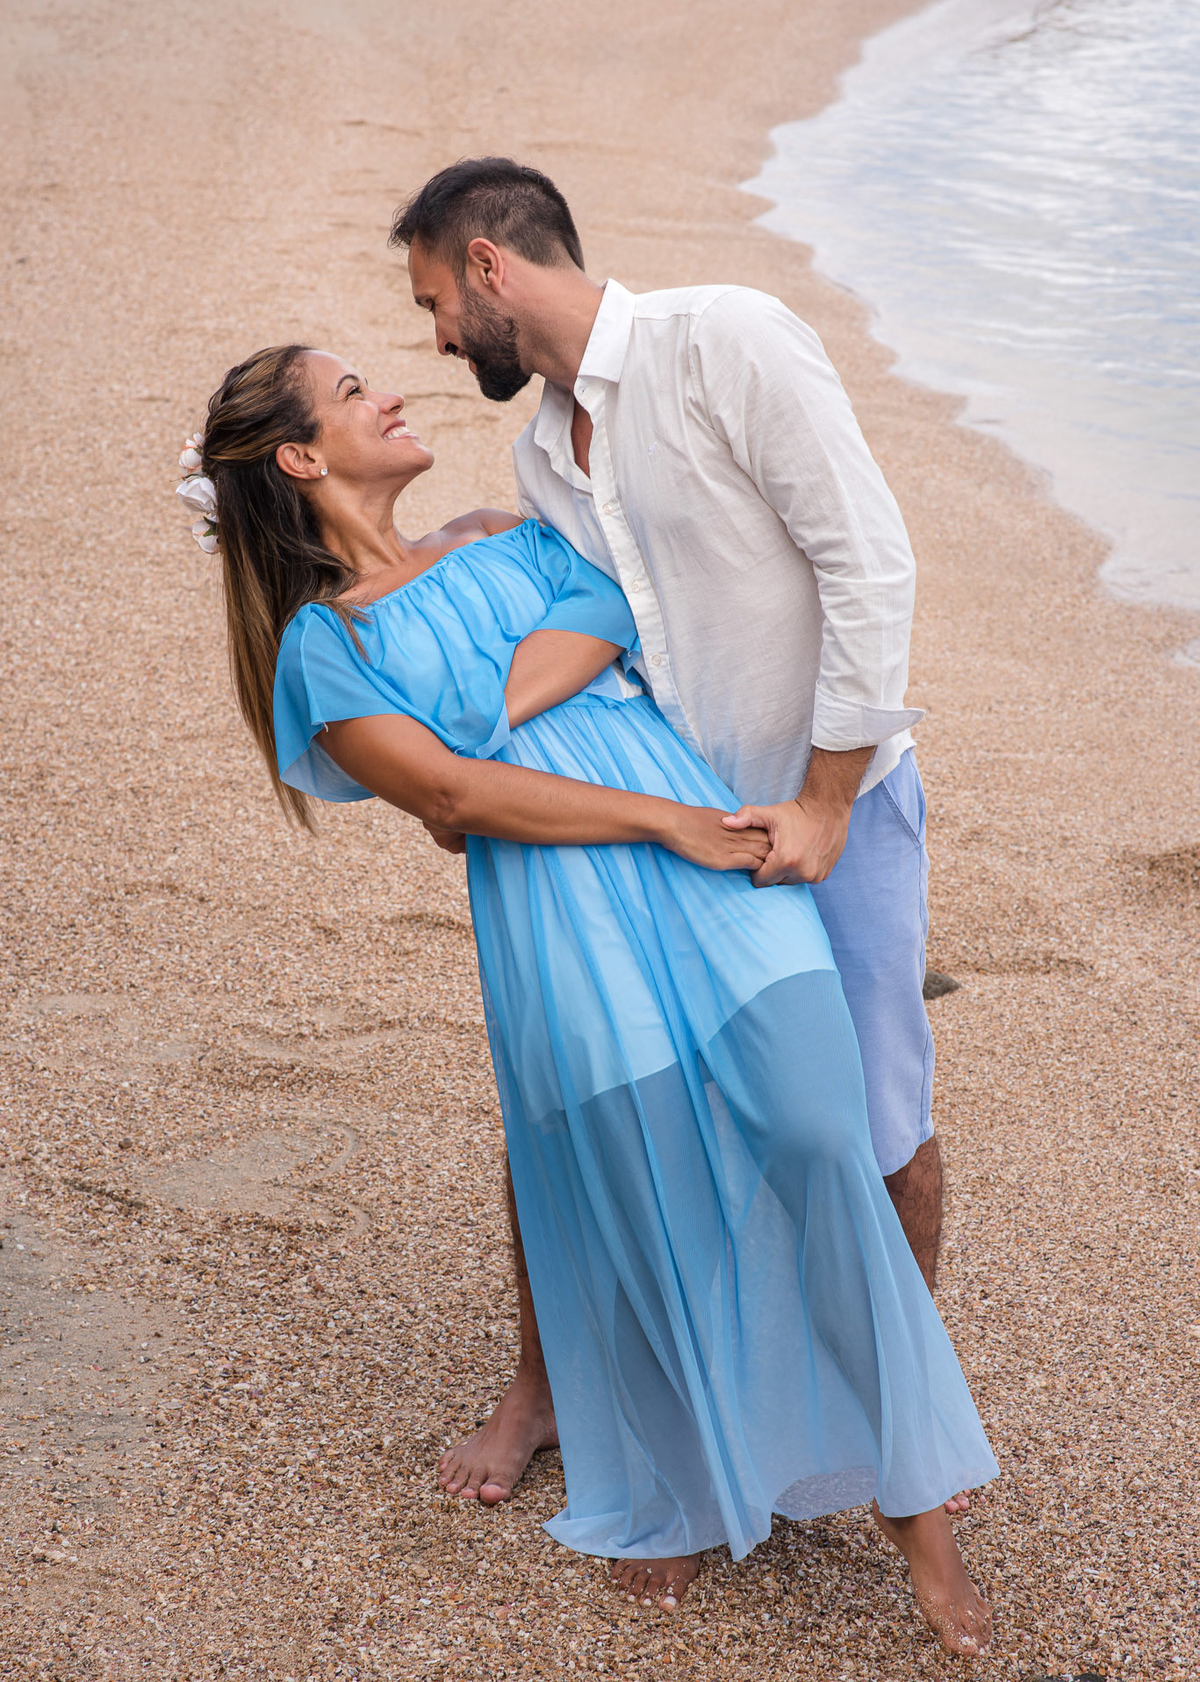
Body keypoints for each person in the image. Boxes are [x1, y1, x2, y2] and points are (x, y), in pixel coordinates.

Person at [182, 342, 996, 1653]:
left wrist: (476, 717)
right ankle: (676, 1480)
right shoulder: (320, 657)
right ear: (300, 456)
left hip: (718, 871)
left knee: (817, 1133)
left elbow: (600, 629)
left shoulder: (509, 530)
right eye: (349, 393)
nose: (389, 391)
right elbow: (449, 799)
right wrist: (649, 817)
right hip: (575, 912)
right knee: (645, 1182)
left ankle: (918, 1501)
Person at [390, 159, 955, 1530]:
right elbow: (595, 628)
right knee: (613, 1107)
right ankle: (662, 1428)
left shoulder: (728, 339)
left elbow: (867, 563)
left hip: (836, 809)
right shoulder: (539, 450)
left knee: (874, 1122)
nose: (438, 340)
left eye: (432, 304)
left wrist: (822, 802)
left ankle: (899, 1439)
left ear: (486, 264)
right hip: (675, 836)